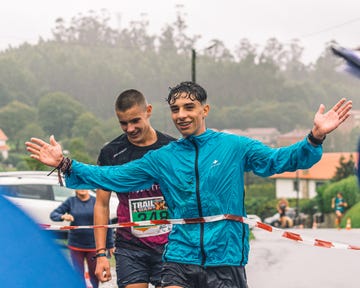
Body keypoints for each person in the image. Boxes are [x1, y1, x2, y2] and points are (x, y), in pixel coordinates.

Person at [26, 81, 352, 288]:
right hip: (180, 256)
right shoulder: (164, 158)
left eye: (188, 107)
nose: (181, 115)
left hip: (225, 257)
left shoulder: (234, 146)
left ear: (204, 109)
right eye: (175, 110)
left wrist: (316, 136)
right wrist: (66, 164)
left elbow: (280, 161)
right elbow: (112, 177)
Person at [94, 89, 176, 288]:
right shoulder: (111, 153)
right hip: (130, 247)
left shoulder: (172, 148)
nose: (129, 128)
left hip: (170, 246)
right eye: (123, 123)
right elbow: (101, 204)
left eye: (135, 121)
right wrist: (101, 254)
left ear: (148, 111)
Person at [50, 189, 114, 288]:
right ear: (75, 188)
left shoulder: (96, 201)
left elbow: (107, 224)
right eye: (79, 186)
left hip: (94, 246)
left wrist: (110, 245)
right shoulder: (71, 201)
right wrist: (63, 216)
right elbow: (53, 215)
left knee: (94, 273)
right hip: (76, 245)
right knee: (78, 274)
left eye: (84, 186)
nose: (82, 189)